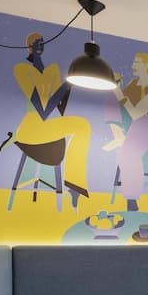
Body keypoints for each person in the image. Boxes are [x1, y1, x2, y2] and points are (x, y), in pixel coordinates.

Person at [12, 32, 91, 199]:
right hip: (31, 129)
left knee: (83, 125)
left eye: (42, 42)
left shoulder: (52, 69)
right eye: (36, 42)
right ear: (29, 46)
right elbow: (42, 110)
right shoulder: (22, 70)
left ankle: (74, 185)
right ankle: (74, 185)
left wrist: (68, 88)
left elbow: (58, 107)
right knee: (81, 125)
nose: (40, 45)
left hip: (48, 125)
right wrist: (65, 86)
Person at [107, 52, 148, 211]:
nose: (133, 66)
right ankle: (117, 131)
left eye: (137, 63)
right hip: (132, 126)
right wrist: (115, 87)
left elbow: (136, 113)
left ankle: (132, 199)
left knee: (128, 154)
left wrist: (118, 92)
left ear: (146, 65)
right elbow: (120, 104)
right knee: (126, 154)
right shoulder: (132, 84)